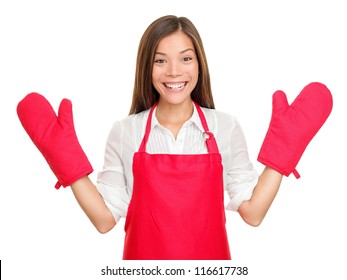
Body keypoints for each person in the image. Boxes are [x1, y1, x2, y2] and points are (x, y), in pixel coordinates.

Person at [17, 15, 333, 260]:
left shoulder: (225, 127)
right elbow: (104, 220)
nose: (173, 71)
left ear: (199, 64)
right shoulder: (125, 132)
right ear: (147, 66)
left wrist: (284, 150)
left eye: (185, 58)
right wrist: (65, 160)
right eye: (160, 60)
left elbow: (253, 212)